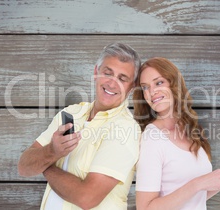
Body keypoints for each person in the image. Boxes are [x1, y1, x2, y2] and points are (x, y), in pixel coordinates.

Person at [18, 43, 142, 210]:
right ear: (96, 72)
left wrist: (46, 162)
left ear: (132, 86)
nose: (113, 84)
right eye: (107, 73)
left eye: (122, 78)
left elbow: (87, 198)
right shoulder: (72, 113)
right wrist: (52, 152)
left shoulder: (125, 129)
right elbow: (24, 166)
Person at [132, 57, 220, 210]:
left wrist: (218, 184)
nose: (152, 92)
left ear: (174, 84)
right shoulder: (152, 138)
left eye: (159, 82)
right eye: (145, 87)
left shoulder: (191, 130)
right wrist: (199, 183)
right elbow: (145, 207)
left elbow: (191, 200)